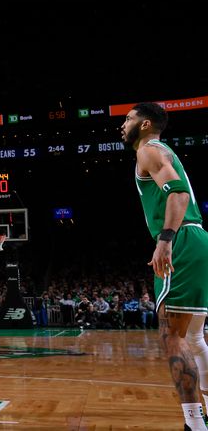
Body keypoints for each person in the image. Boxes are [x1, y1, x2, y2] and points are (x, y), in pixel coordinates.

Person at [121, 102, 208, 431]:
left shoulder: (149, 150)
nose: (123, 124)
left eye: (129, 118)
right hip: (198, 238)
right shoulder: (161, 149)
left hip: (182, 240)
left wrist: (165, 239)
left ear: (145, 124)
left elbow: (179, 193)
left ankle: (194, 424)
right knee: (196, 338)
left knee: (172, 336)